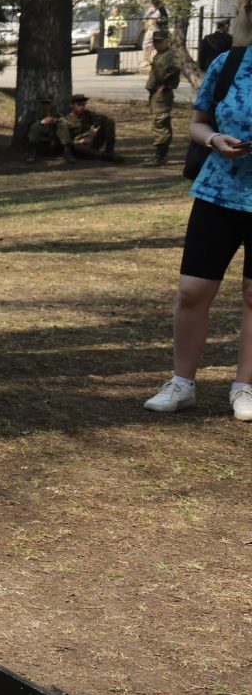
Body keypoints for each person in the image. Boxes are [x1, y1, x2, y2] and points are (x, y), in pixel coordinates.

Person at [141, 27, 252, 419]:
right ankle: (182, 383)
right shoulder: (230, 63)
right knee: (192, 291)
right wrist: (214, 139)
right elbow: (198, 123)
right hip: (218, 193)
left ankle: (245, 387)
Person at [145, 29, 187, 166]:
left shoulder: (170, 54)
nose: (156, 45)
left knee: (160, 122)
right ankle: (161, 155)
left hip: (162, 93)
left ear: (166, 41)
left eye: (159, 42)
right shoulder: (160, 55)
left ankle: (160, 156)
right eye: (154, 42)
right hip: (155, 93)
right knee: (159, 122)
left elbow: (175, 69)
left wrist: (166, 85)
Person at [61, 94, 118, 161]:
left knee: (109, 121)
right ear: (72, 105)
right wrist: (79, 141)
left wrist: (94, 128)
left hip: (91, 141)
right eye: (79, 105)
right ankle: (106, 156)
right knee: (79, 148)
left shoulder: (87, 114)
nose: (82, 107)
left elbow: (102, 118)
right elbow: (66, 142)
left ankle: (109, 150)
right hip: (78, 146)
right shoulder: (65, 120)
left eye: (83, 105)